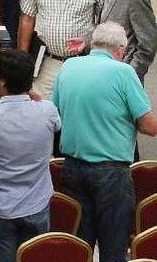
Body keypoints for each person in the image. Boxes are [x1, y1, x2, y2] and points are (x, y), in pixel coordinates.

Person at [53, 22, 157, 262]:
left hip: (72, 168)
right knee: (113, 248)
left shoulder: (69, 66)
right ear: (121, 49)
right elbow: (150, 127)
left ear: (94, 44)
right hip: (111, 174)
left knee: (79, 247)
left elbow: (55, 113)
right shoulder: (124, 72)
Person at [0, 50, 61, 262]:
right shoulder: (47, 110)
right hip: (37, 204)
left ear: (0, 81)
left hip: (0, 206)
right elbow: (56, 123)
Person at [18, 0, 102, 100]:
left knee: (78, 106)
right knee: (41, 107)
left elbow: (103, 21)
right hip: (47, 61)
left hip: (82, 62)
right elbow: (27, 19)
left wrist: (88, 40)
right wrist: (22, 59)